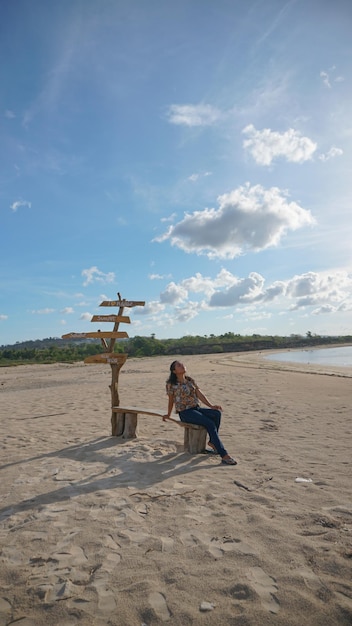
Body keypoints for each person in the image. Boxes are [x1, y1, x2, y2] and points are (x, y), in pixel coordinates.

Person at [163, 360, 237, 465]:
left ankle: (212, 442)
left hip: (196, 408)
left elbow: (199, 394)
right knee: (210, 424)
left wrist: (211, 406)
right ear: (174, 371)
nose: (182, 365)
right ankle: (224, 455)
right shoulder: (171, 384)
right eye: (179, 365)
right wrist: (168, 414)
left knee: (216, 413)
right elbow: (171, 400)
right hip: (185, 412)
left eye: (182, 364)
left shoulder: (190, 380)